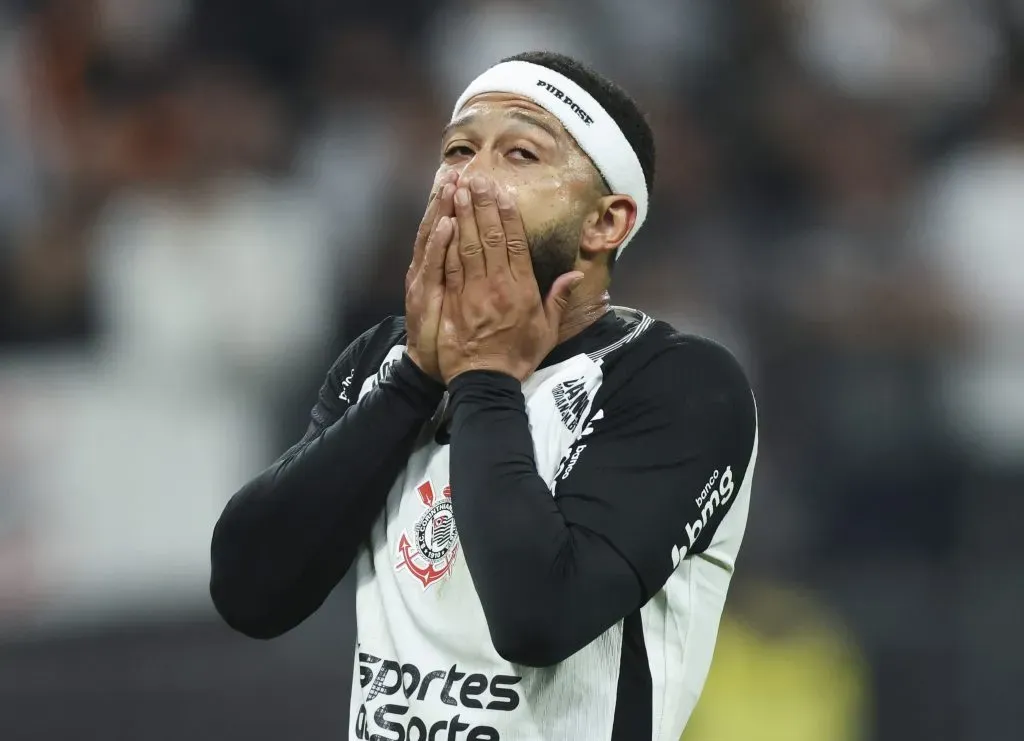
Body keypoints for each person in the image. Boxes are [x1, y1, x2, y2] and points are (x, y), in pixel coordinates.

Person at [210, 50, 759, 740]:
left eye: (521, 153)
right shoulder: (387, 360)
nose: (469, 176)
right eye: (458, 148)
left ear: (606, 223)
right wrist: (414, 378)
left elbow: (538, 617)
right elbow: (251, 592)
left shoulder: (676, 384)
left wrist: (485, 378)